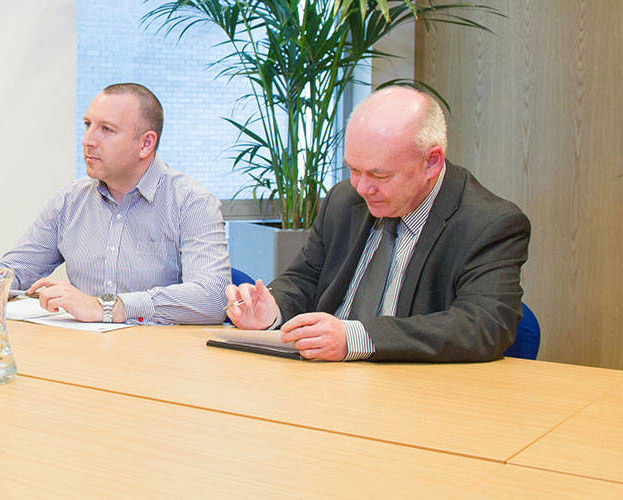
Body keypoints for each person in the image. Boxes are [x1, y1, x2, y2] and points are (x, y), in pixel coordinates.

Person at [224, 85, 531, 362]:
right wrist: (271, 310)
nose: (362, 187)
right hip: (319, 381)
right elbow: (306, 279)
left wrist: (356, 338)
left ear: (432, 162)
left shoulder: (489, 223)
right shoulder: (344, 200)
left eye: (379, 175)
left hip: (414, 394)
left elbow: (483, 325)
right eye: (353, 169)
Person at [0, 83, 229, 325]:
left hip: (160, 356)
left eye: (107, 129)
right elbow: (15, 269)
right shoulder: (69, 201)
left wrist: (105, 307)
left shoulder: (192, 203)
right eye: (88, 125)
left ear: (146, 144)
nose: (88, 140)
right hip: (83, 352)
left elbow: (213, 297)